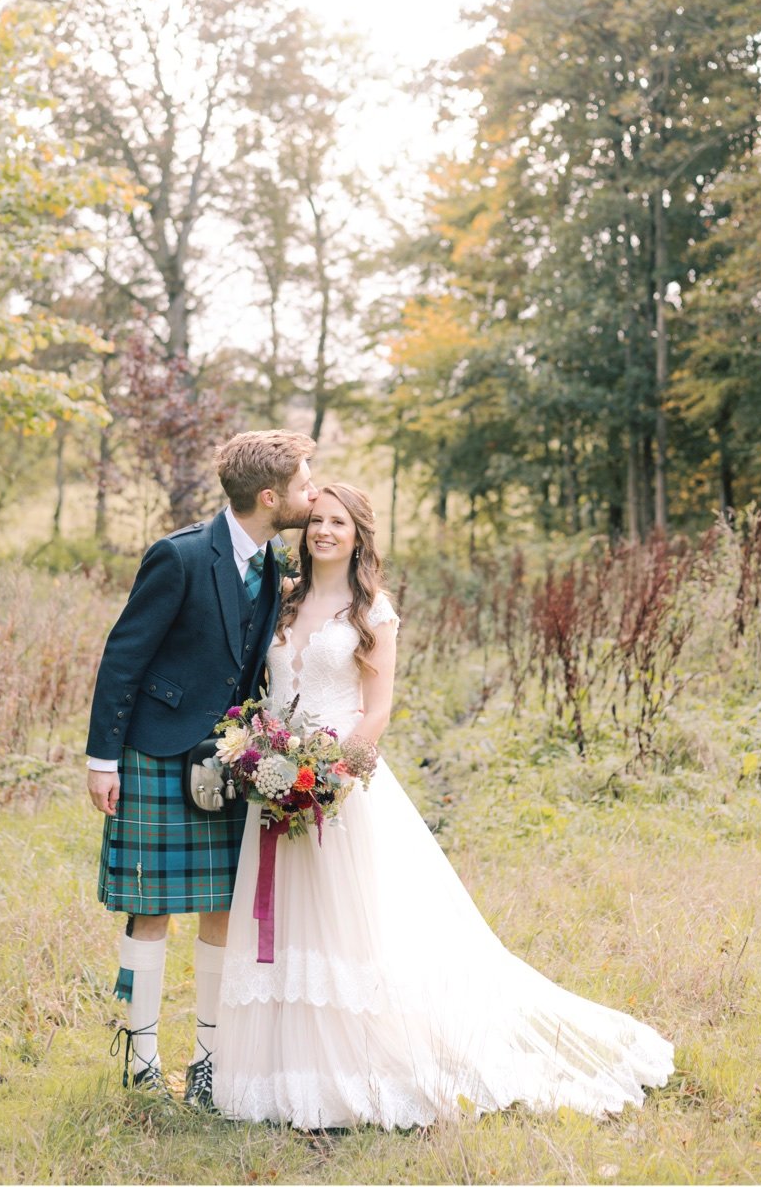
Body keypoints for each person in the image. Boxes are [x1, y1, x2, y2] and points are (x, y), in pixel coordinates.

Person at [212, 483, 674, 1129]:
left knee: (347, 930)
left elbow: (376, 711)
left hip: (337, 787)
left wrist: (323, 777)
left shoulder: (372, 610)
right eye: (315, 519)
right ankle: (285, 1074)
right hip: (276, 782)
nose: (323, 530)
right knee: (288, 928)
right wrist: (269, 764)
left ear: (358, 533)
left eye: (337, 521)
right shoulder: (282, 598)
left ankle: (358, 1072)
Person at [85, 430, 318, 1106]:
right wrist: (104, 758)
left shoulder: (272, 562)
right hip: (154, 750)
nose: (311, 493)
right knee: (150, 908)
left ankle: (211, 1060)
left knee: (222, 907)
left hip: (227, 758)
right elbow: (122, 658)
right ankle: (141, 1058)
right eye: (305, 484)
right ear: (271, 496)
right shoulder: (180, 555)